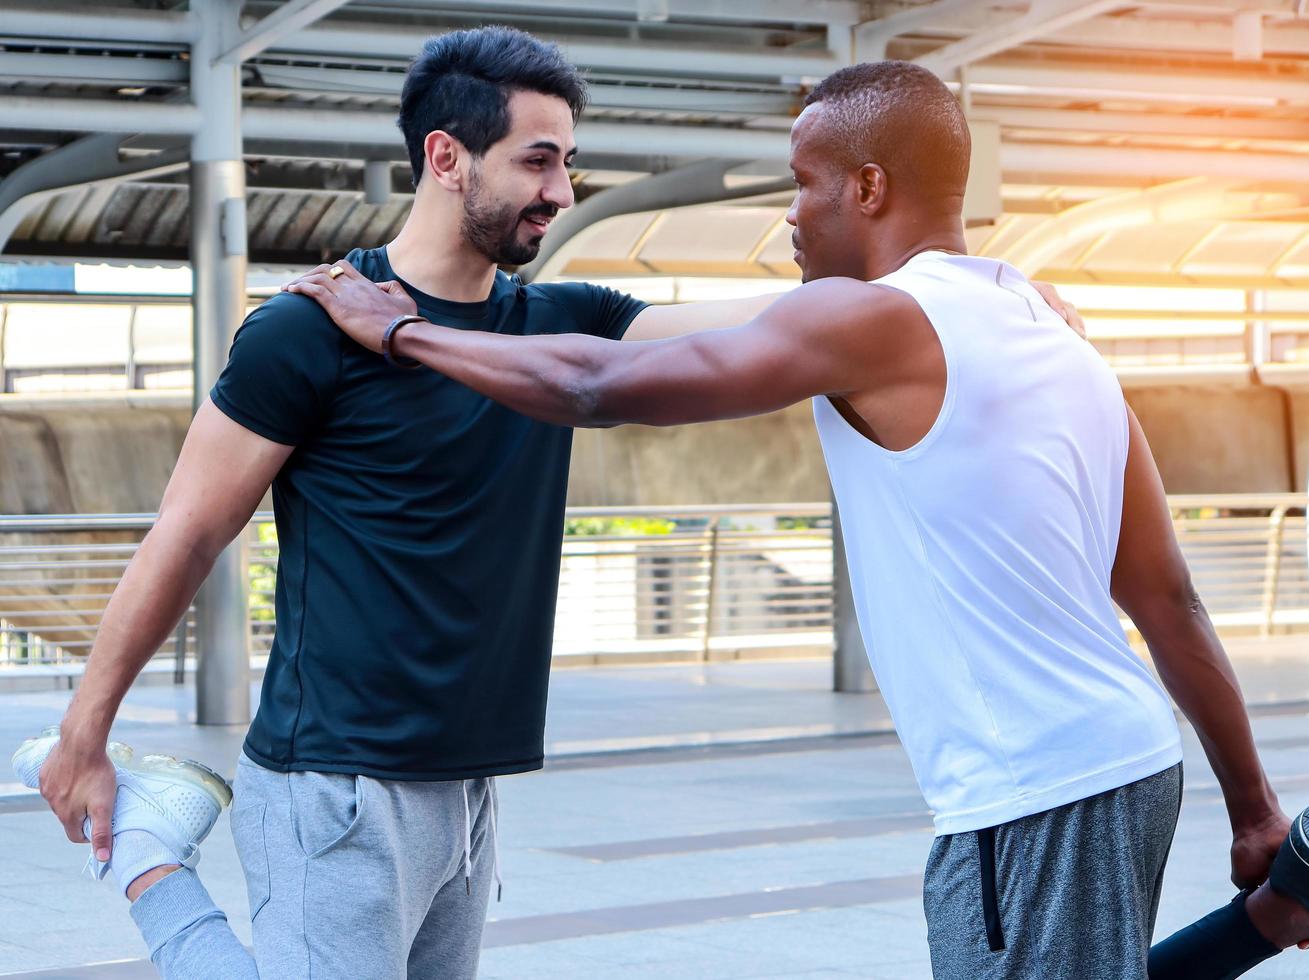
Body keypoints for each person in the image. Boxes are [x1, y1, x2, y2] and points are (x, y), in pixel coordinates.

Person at [286, 61, 1309, 979]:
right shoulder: (1049, 324)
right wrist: (1254, 806)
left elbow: (601, 383)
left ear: (867, 187)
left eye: (804, 182)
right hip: (1128, 762)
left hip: (1028, 790)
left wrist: (404, 330)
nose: (788, 214)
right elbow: (1166, 596)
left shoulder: (868, 319)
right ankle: (1275, 912)